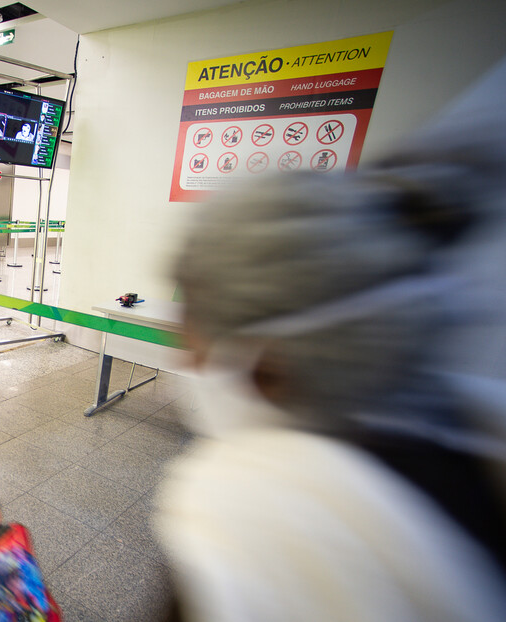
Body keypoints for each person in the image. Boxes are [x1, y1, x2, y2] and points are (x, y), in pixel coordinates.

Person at [154, 59, 506, 621]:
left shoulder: (245, 534)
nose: (182, 358)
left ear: (269, 368)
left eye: (192, 332)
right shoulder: (464, 458)